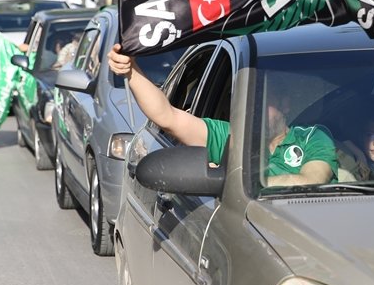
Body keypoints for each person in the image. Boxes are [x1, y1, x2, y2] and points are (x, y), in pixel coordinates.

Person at [107, 44, 337, 186]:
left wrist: (237, 183)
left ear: (285, 105)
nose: (255, 110)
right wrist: (131, 72)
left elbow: (311, 182)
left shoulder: (312, 137)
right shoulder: (231, 135)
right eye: (251, 102)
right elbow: (167, 117)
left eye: (265, 102)